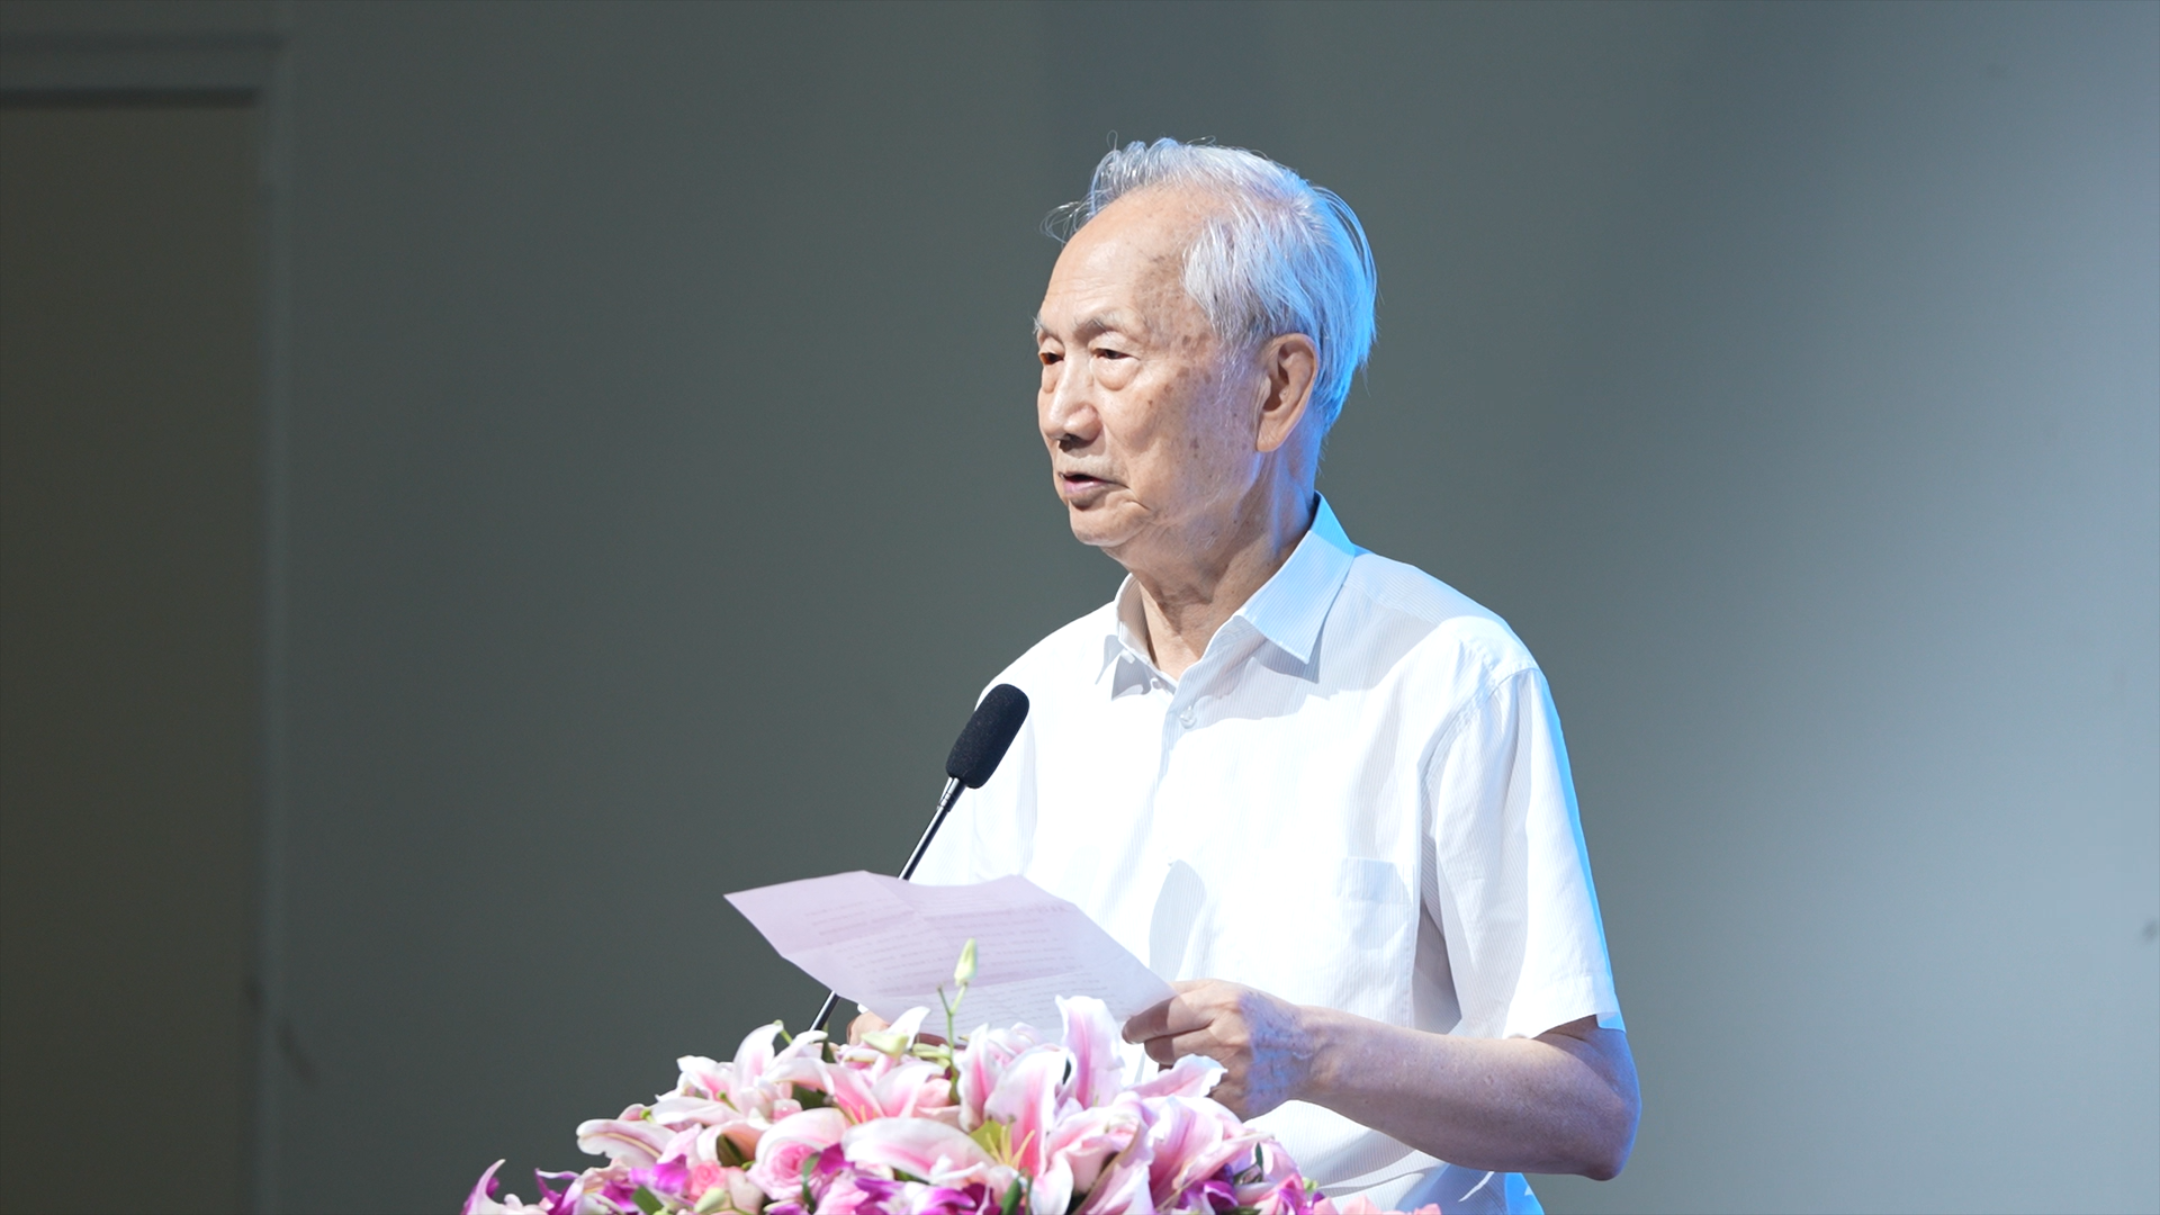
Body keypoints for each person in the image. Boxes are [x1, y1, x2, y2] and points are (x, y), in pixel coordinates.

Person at [894, 139, 1639, 1214]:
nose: (1062, 413)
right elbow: (921, 1045)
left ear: (1277, 387)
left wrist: (1312, 1055)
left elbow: (1591, 1112)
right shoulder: (1030, 704)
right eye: (1049, 359)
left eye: (1111, 354)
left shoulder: (1446, 673)